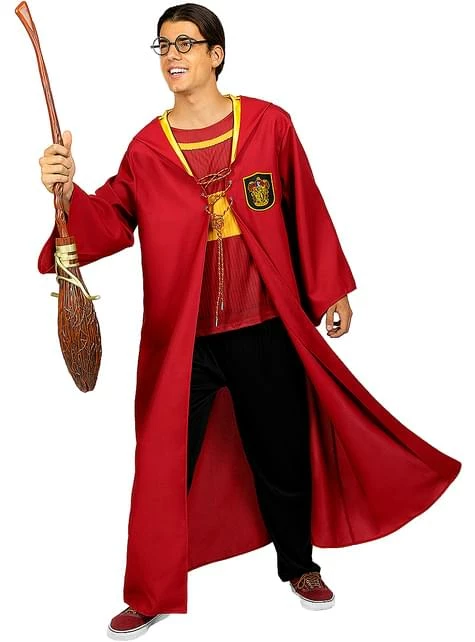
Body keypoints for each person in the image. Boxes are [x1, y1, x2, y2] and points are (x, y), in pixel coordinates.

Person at [37, 3, 461, 640]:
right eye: (162, 45)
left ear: (216, 55)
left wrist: (330, 289)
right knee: (162, 467)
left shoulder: (267, 125)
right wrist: (67, 193)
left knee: (281, 453)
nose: (172, 55)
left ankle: (300, 567)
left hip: (262, 324)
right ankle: (150, 592)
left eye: (186, 43)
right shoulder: (148, 148)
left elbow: (304, 206)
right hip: (183, 340)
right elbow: (111, 219)